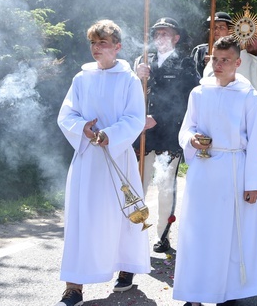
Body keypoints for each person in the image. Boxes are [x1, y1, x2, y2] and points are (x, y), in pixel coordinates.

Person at [173, 36, 257, 306]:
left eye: (225, 60)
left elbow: (256, 142)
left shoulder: (249, 97)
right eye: (214, 59)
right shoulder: (198, 93)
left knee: (230, 234)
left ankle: (229, 292)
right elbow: (186, 128)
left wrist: (254, 182)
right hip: (203, 170)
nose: (218, 65)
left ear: (237, 62)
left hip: (234, 170)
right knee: (197, 231)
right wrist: (191, 140)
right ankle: (194, 293)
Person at [56, 20, 149, 306]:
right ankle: (74, 287)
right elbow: (66, 115)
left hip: (117, 156)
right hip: (87, 160)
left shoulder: (129, 79)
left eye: (103, 43)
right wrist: (83, 127)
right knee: (82, 220)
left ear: (117, 47)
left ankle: (126, 266)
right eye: (93, 44)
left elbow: (135, 118)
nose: (96, 48)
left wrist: (110, 134)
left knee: (120, 217)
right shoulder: (81, 78)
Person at [135, 17, 197, 253]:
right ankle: (134, 232)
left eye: (165, 33)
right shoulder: (142, 61)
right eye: (157, 33)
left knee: (164, 186)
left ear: (176, 38)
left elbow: (189, 100)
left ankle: (162, 235)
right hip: (141, 135)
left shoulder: (185, 63)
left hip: (168, 133)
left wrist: (158, 117)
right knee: (136, 185)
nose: (160, 38)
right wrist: (136, 75)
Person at [189, 11, 232, 79]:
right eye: (214, 27)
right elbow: (192, 76)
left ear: (230, 31)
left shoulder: (236, 52)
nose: (216, 31)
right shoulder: (199, 51)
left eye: (221, 27)